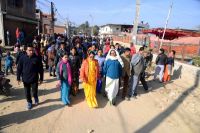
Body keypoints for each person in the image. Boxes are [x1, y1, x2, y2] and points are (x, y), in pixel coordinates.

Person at [17, 44, 44, 110]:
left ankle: (35, 97)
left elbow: (41, 69)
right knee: (27, 92)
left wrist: (41, 78)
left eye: (32, 50)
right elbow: (19, 68)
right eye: (29, 50)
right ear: (26, 50)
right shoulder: (22, 58)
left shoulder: (37, 58)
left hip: (34, 79)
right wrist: (18, 78)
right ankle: (29, 102)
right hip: (25, 79)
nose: (31, 52)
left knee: (34, 91)